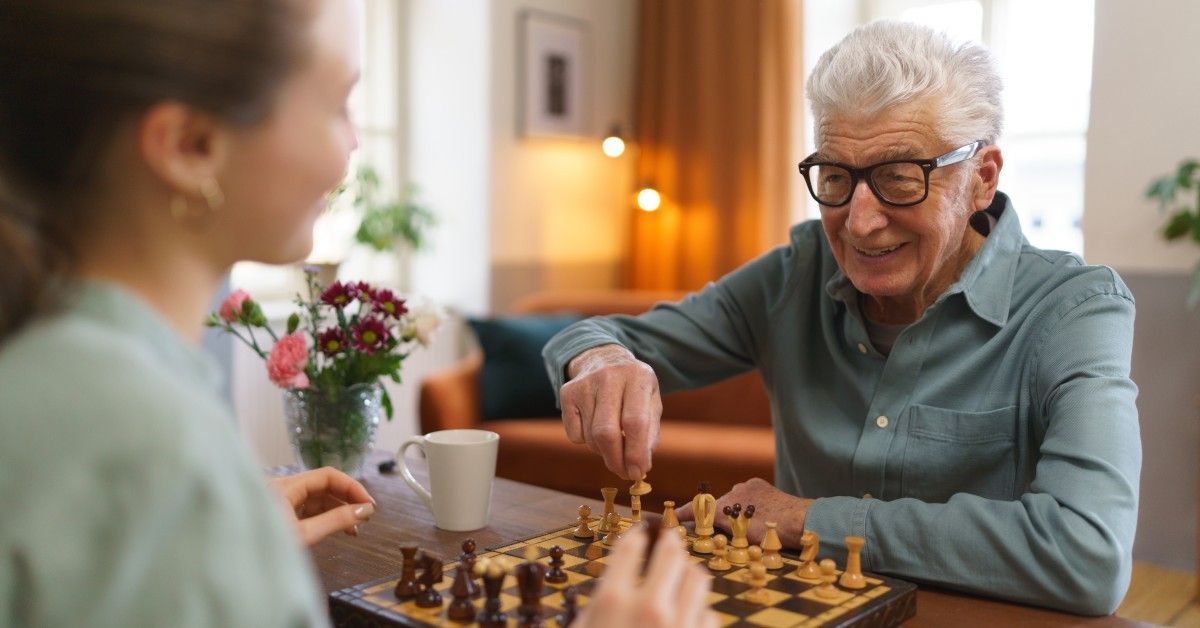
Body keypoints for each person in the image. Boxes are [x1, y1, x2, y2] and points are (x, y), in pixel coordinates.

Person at [0, 1, 711, 626]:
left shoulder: (54, 376)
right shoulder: (155, 451)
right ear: (190, 146)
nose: (354, 144)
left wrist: (224, 549)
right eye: (339, 103)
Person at [544, 20, 1139, 616]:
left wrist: (809, 519)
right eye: (835, 177)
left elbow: (1087, 552)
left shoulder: (1075, 309)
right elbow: (593, 334)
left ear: (981, 179)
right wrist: (604, 358)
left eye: (899, 181)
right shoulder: (794, 274)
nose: (858, 223)